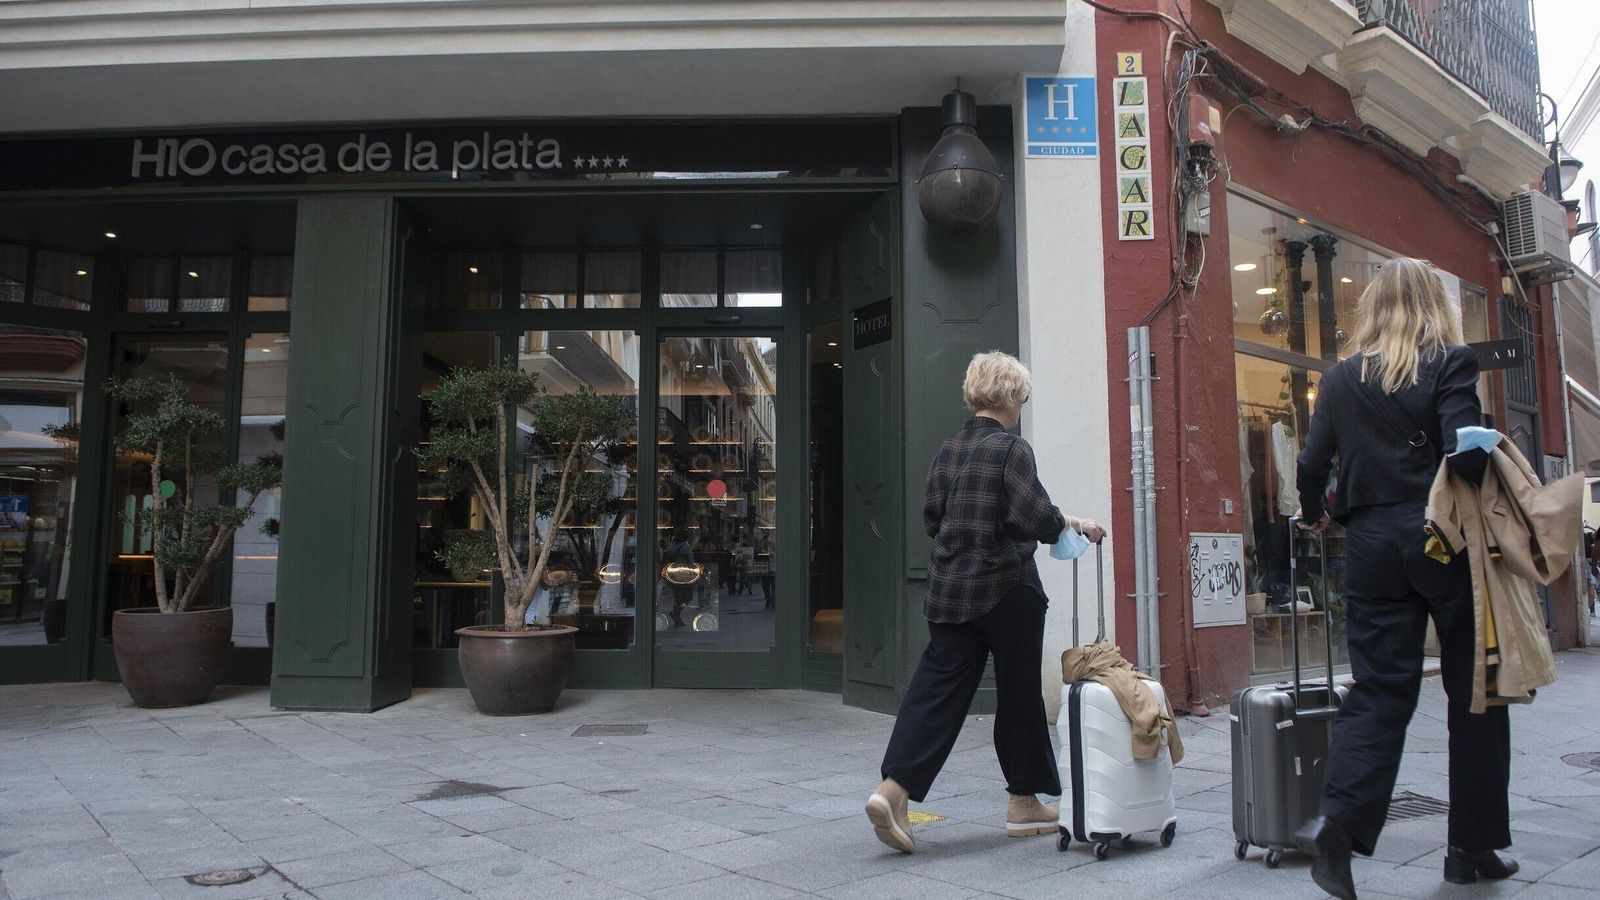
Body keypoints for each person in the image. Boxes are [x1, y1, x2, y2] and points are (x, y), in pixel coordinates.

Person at [1293, 258, 1514, 899]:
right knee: (1475, 689)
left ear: (1373, 308)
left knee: (1379, 691)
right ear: (1434, 306)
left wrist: (1316, 517)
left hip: (1368, 546)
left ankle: (1338, 826)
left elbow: (1311, 466)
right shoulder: (1450, 364)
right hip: (1442, 538)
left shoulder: (1338, 378)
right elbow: (1462, 454)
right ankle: (1471, 847)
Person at [865, 351, 1104, 853]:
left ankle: (892, 791)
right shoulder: (1012, 448)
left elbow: (932, 516)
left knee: (935, 691)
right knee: (1018, 694)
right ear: (1013, 397)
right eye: (1023, 396)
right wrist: (1075, 525)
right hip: (1007, 589)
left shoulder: (948, 449)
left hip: (951, 589)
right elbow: (1035, 516)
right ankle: (1023, 802)